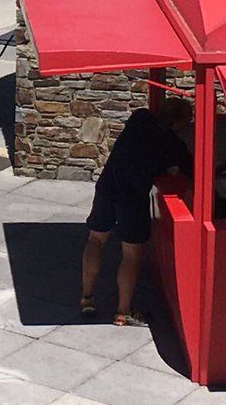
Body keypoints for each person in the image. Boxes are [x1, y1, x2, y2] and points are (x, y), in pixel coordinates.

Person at [81, 98, 193, 326]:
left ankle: (87, 298)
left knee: (96, 240)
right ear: (180, 124)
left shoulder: (140, 117)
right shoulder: (173, 146)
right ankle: (123, 312)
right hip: (133, 197)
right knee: (131, 255)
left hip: (108, 186)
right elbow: (191, 168)